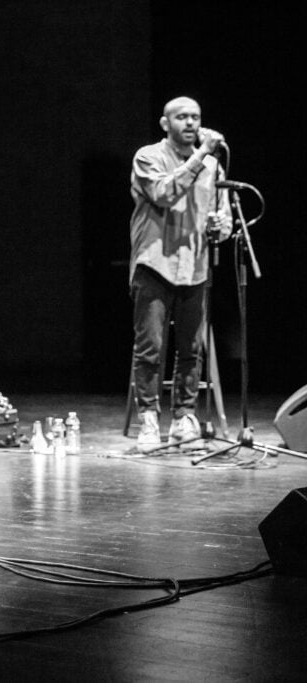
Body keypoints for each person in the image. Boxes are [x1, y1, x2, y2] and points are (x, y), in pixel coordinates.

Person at [129, 96, 232, 452]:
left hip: (195, 266)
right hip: (155, 263)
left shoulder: (214, 168)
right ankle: (148, 419)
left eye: (196, 117)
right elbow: (164, 193)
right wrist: (201, 154)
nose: (190, 123)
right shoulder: (148, 157)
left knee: (191, 349)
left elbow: (223, 217)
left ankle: (183, 418)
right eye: (182, 117)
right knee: (150, 349)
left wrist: (221, 225)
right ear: (165, 123)